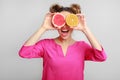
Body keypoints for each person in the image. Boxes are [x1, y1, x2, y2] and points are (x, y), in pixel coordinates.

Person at [19, 4, 107, 80]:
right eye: (61, 21)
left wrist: (85, 29)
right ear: (56, 24)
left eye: (68, 21)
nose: (64, 26)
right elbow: (24, 53)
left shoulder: (82, 47)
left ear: (74, 23)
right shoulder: (45, 45)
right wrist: (43, 27)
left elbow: (101, 57)